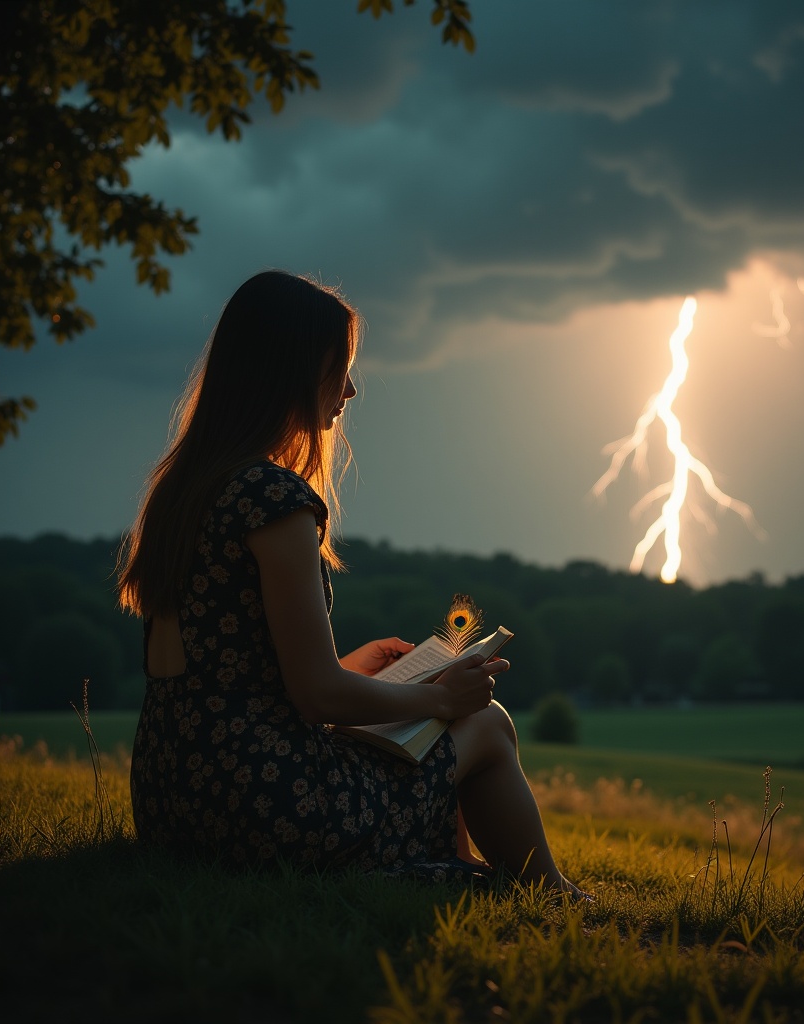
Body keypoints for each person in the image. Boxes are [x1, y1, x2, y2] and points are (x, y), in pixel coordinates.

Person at [118, 269, 585, 895]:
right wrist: (441, 699)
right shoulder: (272, 498)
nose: (351, 389)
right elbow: (317, 698)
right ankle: (554, 895)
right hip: (263, 804)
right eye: (339, 368)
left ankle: (483, 871)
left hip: (171, 797)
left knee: (430, 742)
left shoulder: (181, 490)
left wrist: (353, 669)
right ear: (294, 370)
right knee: (488, 723)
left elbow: (234, 677)